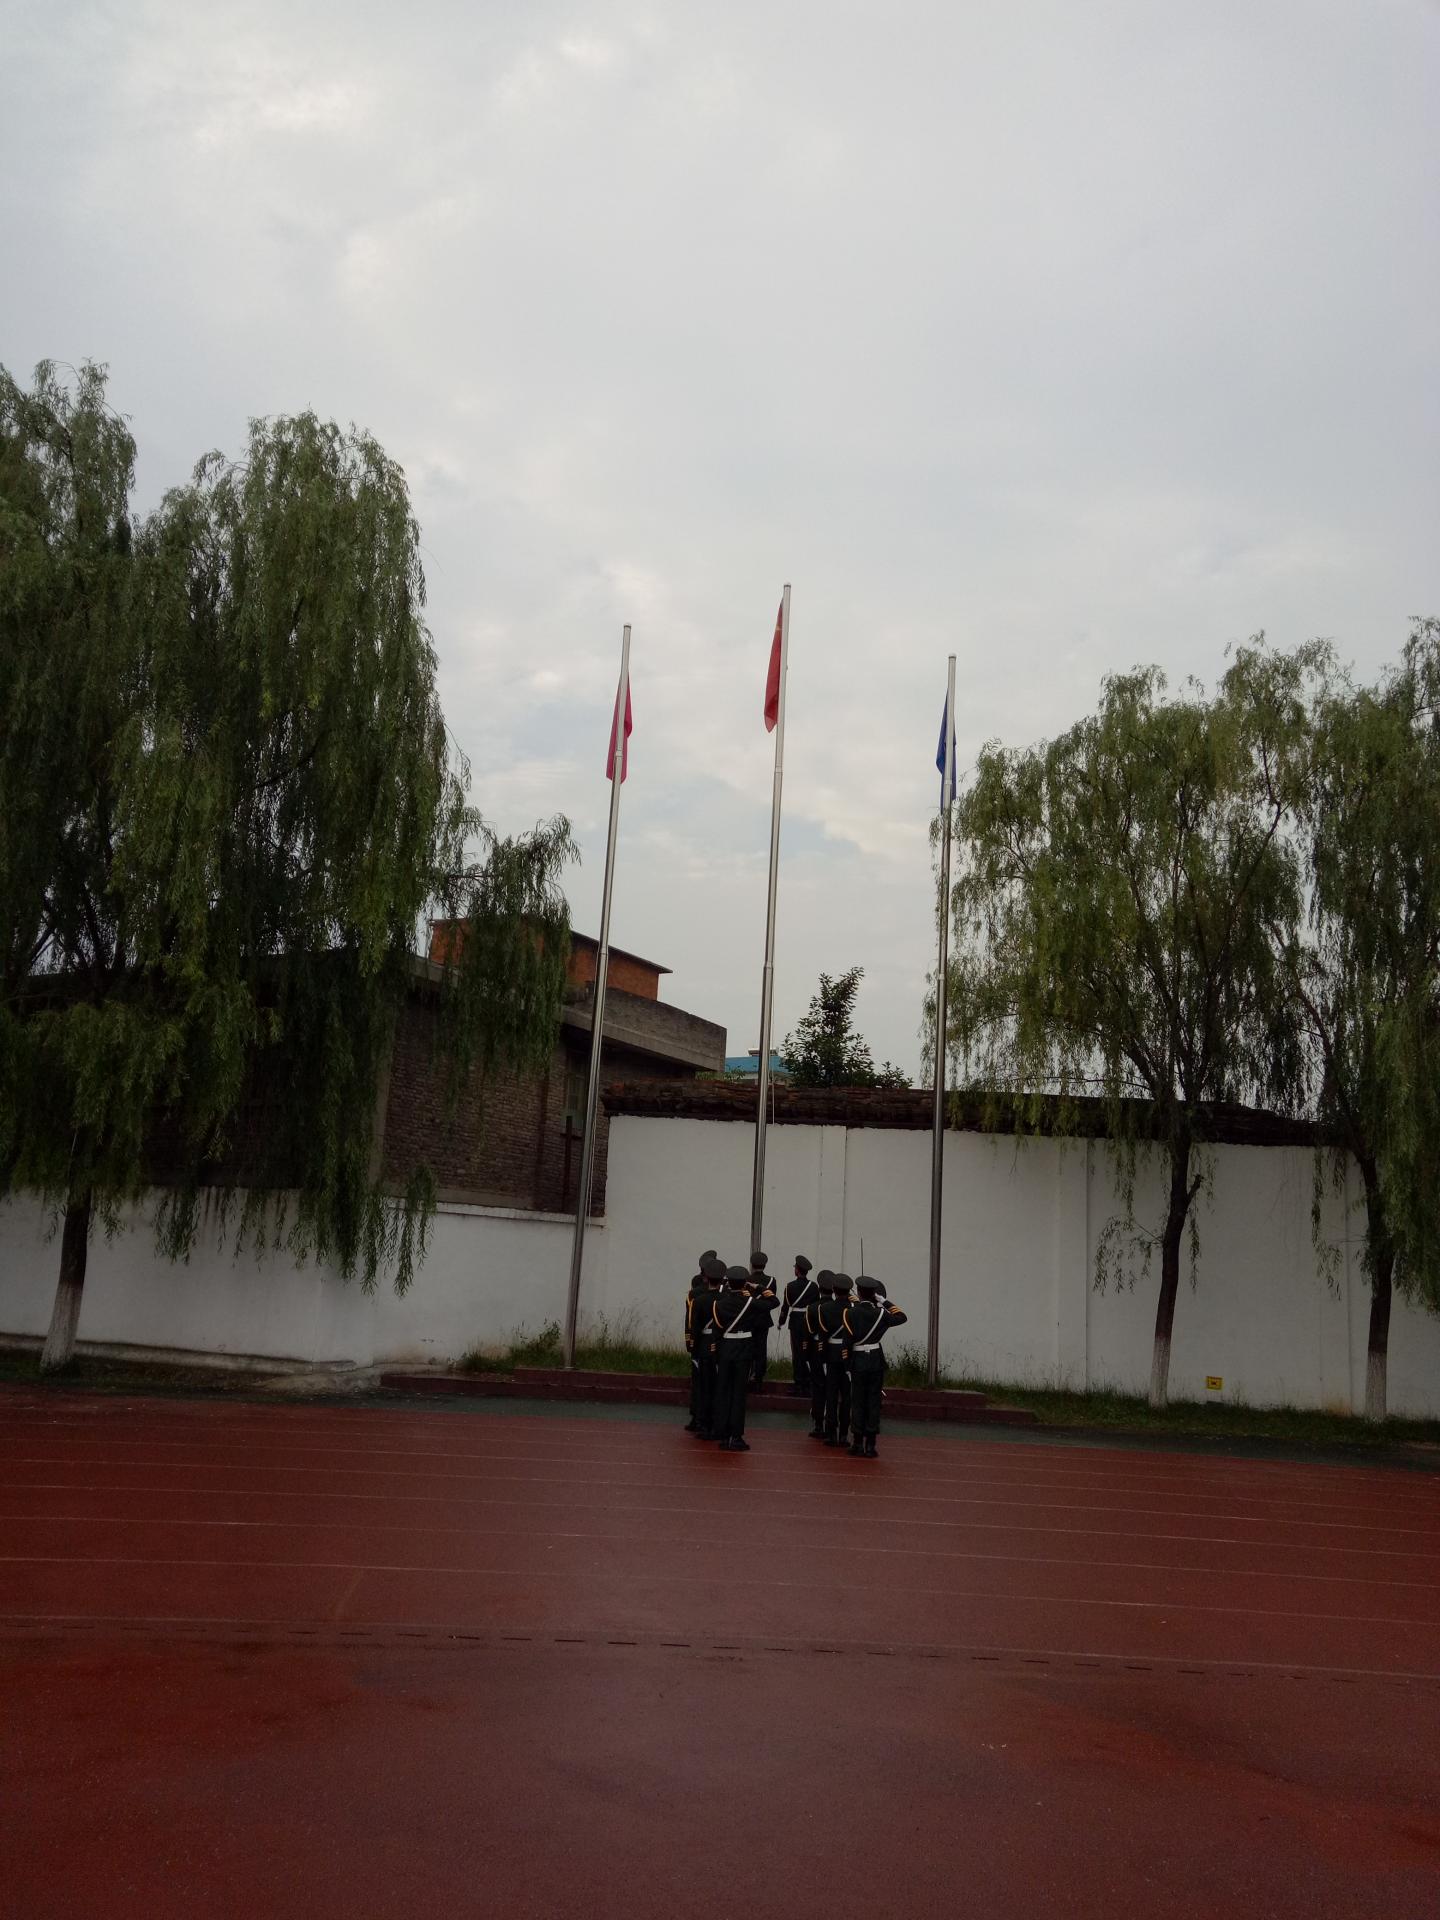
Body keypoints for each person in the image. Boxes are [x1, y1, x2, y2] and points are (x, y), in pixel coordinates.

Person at [844, 1276, 908, 1457]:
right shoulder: (881, 1314)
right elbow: (902, 1317)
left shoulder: (850, 1313)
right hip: (875, 1361)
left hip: (857, 1361)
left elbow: (847, 1343)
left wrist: (847, 1366)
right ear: (874, 1294)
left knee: (857, 1402)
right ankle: (871, 1445)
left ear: (859, 1292)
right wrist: (884, 1301)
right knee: (873, 1402)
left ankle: (857, 1443)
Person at [713, 1263, 759, 1450]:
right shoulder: (750, 1302)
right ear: (744, 1283)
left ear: (729, 1283)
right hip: (744, 1350)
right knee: (739, 1394)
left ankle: (723, 1434)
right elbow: (773, 1302)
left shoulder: (719, 1304)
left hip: (725, 1349)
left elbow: (717, 1332)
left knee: (724, 1392)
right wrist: (757, 1288)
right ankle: (736, 1435)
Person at [821, 1272, 855, 1447]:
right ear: (849, 1291)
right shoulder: (854, 1309)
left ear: (833, 1290)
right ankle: (843, 1434)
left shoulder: (825, 1308)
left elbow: (822, 1336)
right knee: (847, 1397)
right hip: (849, 1355)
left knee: (831, 1395)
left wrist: (822, 1357)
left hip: (832, 1354)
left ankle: (831, 1433)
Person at [778, 1255, 818, 1396]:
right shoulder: (813, 1287)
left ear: (797, 1270)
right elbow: (816, 1306)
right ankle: (808, 1383)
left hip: (795, 1322)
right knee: (808, 1352)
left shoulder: (790, 1286)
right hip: (809, 1322)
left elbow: (785, 1307)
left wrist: (781, 1322)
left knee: (797, 1353)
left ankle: (799, 1384)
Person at [805, 1272, 834, 1436]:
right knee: (833, 1387)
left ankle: (818, 1424)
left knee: (818, 1387)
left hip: (816, 1349)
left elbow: (808, 1332)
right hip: (834, 1351)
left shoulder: (812, 1308)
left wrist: (806, 1354)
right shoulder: (843, 1308)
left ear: (819, 1289)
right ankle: (831, 1423)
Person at [747, 1251, 778, 1389]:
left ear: (752, 1265)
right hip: (763, 1318)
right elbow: (772, 1299)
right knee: (761, 1349)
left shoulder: (746, 1280)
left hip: (748, 1318)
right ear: (764, 1265)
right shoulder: (771, 1281)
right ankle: (758, 1378)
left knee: (748, 1348)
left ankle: (748, 1375)